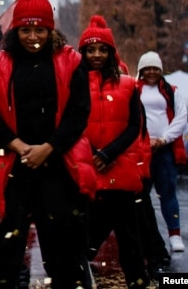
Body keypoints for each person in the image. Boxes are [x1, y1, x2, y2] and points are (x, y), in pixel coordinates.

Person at [0, 0, 95, 289]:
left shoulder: (72, 61)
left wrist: (48, 148)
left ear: (50, 30)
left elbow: (79, 113)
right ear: (15, 30)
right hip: (10, 168)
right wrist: (18, 146)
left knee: (63, 253)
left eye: (40, 29)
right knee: (3, 254)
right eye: (26, 29)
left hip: (57, 167)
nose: (33, 37)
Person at [78, 16, 149, 288]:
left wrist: (108, 153)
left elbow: (134, 126)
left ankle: (138, 282)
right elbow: (70, 122)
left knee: (130, 238)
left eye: (102, 49)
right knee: (86, 237)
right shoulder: (73, 84)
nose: (97, 55)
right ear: (83, 52)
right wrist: (92, 153)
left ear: (111, 52)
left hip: (120, 169)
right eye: (91, 49)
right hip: (87, 168)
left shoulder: (129, 84)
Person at [136, 50, 188, 257]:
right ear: (141, 70)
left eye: (154, 68)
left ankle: (175, 234)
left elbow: (181, 118)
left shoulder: (172, 91)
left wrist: (164, 138)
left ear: (160, 70)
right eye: (146, 68)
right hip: (141, 149)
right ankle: (146, 237)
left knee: (168, 192)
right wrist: (146, 140)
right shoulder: (133, 89)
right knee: (140, 196)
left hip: (165, 149)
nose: (150, 72)